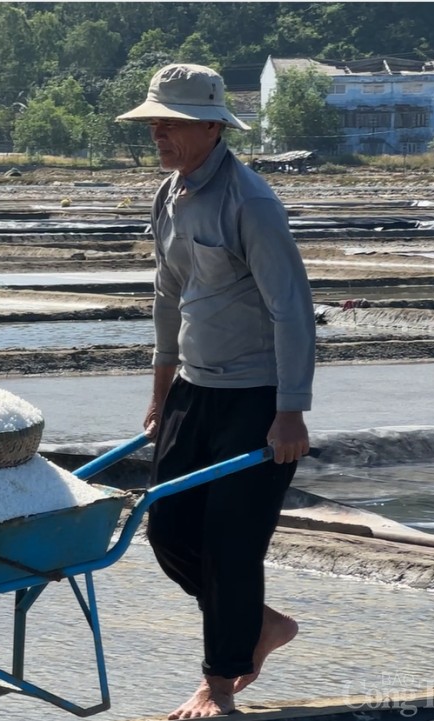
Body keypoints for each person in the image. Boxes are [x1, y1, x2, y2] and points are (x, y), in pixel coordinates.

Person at [116, 64, 316, 719]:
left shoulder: (249, 201)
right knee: (170, 530)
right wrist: (159, 391)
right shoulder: (169, 194)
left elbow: (291, 307)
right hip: (193, 392)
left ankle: (221, 681)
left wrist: (290, 412)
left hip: (256, 396)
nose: (159, 133)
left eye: (171, 122)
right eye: (154, 122)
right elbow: (166, 294)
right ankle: (259, 624)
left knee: (232, 543)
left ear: (211, 126)